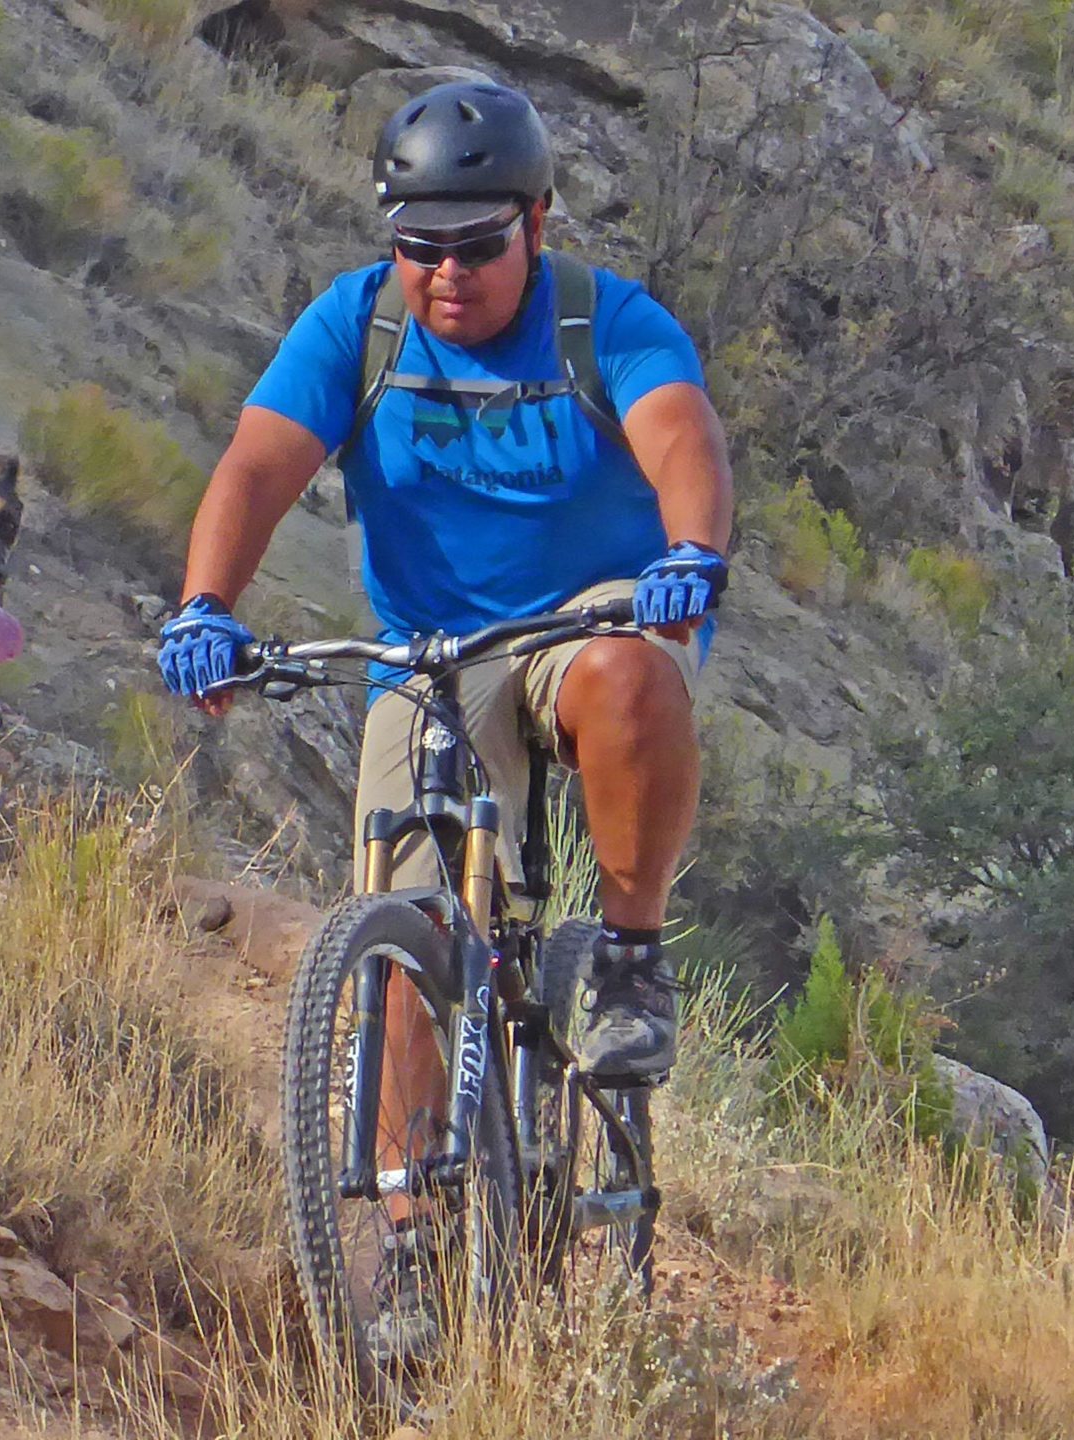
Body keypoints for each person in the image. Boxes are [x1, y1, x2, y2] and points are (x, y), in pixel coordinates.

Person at [156, 79, 733, 1082]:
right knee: (400, 946)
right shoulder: (357, 325)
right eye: (419, 248)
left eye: (477, 246)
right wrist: (203, 608)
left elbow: (682, 436)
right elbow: (256, 466)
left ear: (537, 223)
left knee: (628, 674)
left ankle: (633, 963)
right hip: (429, 648)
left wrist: (689, 553)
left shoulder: (607, 324)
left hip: (585, 620)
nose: (446, 273)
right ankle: (410, 1223)